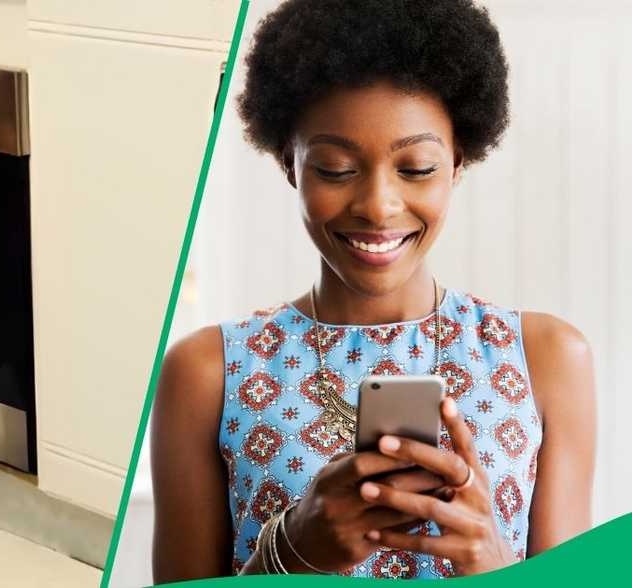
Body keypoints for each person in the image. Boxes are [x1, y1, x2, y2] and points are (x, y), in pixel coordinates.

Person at [151, 0, 596, 581]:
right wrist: (291, 552)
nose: (378, 207)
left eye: (416, 168)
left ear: (458, 161)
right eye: (336, 169)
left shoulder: (546, 358)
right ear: (291, 164)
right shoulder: (208, 371)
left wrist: (492, 562)